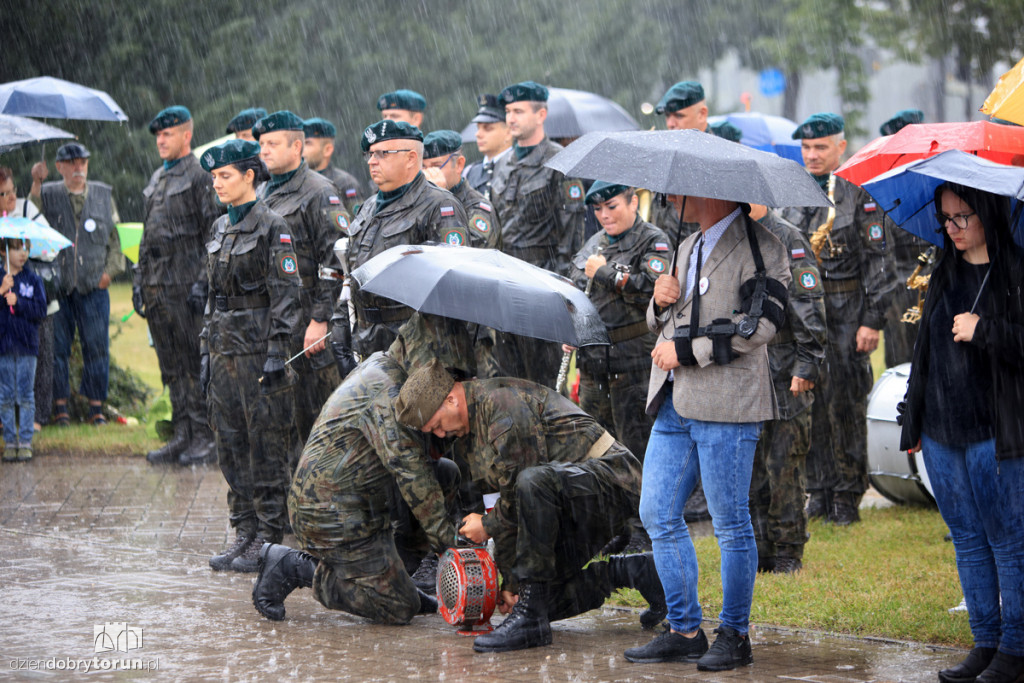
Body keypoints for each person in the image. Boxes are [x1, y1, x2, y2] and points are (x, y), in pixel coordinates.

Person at [395, 360, 667, 654]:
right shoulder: (470, 434)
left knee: (532, 484)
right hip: (564, 497)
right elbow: (504, 503)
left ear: (451, 398)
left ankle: (532, 622)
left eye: (436, 425)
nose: (438, 434)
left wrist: (486, 526)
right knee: (541, 597)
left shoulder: (501, 402)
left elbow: (526, 487)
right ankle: (635, 571)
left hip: (613, 481)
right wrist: (512, 584)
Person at [624, 194, 790, 671]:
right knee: (657, 511)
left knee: (730, 523)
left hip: (727, 403)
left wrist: (688, 351)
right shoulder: (687, 243)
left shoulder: (764, 248)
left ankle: (735, 635)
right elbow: (665, 319)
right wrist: (658, 302)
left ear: (713, 191)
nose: (671, 198)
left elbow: (760, 325)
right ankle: (684, 629)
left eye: (681, 191)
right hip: (676, 403)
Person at [252, 314, 470, 625]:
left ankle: (396, 577)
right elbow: (414, 478)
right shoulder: (389, 392)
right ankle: (290, 566)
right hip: (328, 510)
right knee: (397, 608)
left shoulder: (386, 363)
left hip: (359, 496)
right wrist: (456, 554)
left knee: (444, 474)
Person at [899, 183, 1024, 683]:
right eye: (944, 219)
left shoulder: (1016, 269)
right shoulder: (944, 267)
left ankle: (1015, 651)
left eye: (960, 218)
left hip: (996, 433)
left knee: (1008, 542)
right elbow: (925, 346)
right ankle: (985, 643)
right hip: (941, 432)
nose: (949, 229)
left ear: (988, 212)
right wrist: (915, 415)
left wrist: (985, 328)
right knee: (968, 543)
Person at [781, 112, 898, 525]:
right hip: (804, 315)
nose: (812, 155)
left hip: (847, 312)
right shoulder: (793, 192)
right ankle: (821, 489)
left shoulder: (858, 192)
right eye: (806, 148)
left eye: (820, 147)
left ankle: (848, 494)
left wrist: (872, 320)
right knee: (809, 402)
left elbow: (880, 264)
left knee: (845, 405)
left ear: (840, 146)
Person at [199, 139, 302, 573]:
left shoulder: (273, 226)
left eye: (225, 176)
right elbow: (213, 297)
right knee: (230, 442)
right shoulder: (220, 228)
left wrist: (279, 351)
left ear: (249, 177)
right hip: (224, 351)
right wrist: (206, 348)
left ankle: (267, 537)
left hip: (259, 353)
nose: (218, 184)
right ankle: (242, 530)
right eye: (214, 178)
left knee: (266, 446)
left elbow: (287, 296)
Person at [253, 110, 350, 447]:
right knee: (281, 420)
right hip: (273, 318)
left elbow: (336, 259)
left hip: (306, 319)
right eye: (261, 143)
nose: (264, 150)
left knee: (317, 421)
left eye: (272, 143)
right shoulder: (261, 192)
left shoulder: (319, 191)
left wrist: (321, 319)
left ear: (297, 147)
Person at [338, 119, 467, 358]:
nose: (372, 161)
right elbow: (352, 274)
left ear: (410, 158)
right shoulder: (368, 207)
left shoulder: (439, 205)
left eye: (382, 153)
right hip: (367, 342)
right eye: (370, 154)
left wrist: (453, 367)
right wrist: (341, 330)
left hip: (417, 349)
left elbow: (454, 291)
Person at [567, 181, 672, 473]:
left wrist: (603, 272)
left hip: (632, 362)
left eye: (611, 207)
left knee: (636, 446)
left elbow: (652, 290)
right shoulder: (595, 242)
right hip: (592, 362)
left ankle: (642, 515)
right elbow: (575, 289)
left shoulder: (653, 240)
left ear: (633, 203)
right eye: (598, 209)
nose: (604, 216)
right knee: (593, 444)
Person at [138, 106, 222, 467]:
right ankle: (182, 432)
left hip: (186, 285)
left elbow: (212, 232)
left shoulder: (201, 174)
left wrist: (204, 282)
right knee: (170, 366)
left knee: (193, 362)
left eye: (167, 134)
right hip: (158, 287)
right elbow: (146, 236)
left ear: (186, 136)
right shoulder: (158, 177)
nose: (160, 140)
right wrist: (139, 281)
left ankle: (204, 435)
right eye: (158, 135)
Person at [747, 205, 827, 574]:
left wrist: (807, 363)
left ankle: (788, 550)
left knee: (784, 464)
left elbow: (809, 305)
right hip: (745, 368)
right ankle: (759, 546)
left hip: (784, 367)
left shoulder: (788, 237)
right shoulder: (730, 235)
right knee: (750, 466)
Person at [489, 80, 585, 387]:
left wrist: (564, 293)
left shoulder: (560, 163)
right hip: (504, 286)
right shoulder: (502, 164)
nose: (511, 118)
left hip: (542, 285)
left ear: (541, 115)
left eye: (519, 111)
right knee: (508, 381)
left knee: (544, 385)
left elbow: (573, 236)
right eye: (507, 112)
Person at [30, 142, 125, 427]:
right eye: (71, 163)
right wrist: (36, 182)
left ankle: (96, 407)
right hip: (59, 287)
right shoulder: (46, 194)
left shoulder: (103, 194)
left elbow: (116, 239)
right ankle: (60, 408)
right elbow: (29, 224)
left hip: (95, 287)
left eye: (82, 162)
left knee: (96, 348)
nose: (78, 168)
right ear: (58, 167)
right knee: (56, 350)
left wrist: (109, 274)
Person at [0, 167, 55, 431]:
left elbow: (48, 249)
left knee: (38, 358)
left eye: (13, 191)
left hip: (31, 296)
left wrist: (22, 245)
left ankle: (37, 417)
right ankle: (7, 419)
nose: (12, 198)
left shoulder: (25, 210)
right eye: (4, 194)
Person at [878, 109, 930, 368]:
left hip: (935, 283)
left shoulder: (938, 181)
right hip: (898, 290)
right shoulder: (885, 187)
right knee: (900, 365)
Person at [1, 238, 47, 462]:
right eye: (17, 248)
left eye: (26, 248)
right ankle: (10, 440)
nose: (23, 253)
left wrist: (18, 301)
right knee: (6, 396)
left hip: (27, 346)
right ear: (3, 251)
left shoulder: (33, 280)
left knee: (26, 395)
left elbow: (40, 310)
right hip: (4, 347)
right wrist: (2, 290)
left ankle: (25, 440)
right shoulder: (2, 280)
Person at [647, 81, 708, 243]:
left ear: (701, 114)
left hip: (698, 257)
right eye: (667, 116)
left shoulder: (719, 160)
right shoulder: (668, 155)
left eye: (679, 116)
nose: (670, 124)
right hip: (665, 257)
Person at [421, 129, 501, 249]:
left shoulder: (479, 208)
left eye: (436, 166)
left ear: (459, 165)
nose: (428, 173)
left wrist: (441, 199)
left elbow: (465, 254)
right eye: (423, 167)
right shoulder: (421, 198)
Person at [302, 117, 364, 214]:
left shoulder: (346, 184)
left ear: (327, 150)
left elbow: (357, 223)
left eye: (308, 143)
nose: (302, 149)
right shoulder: (296, 182)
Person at [463, 94, 512, 198]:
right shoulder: (470, 172)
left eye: (488, 128)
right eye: (478, 128)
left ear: (508, 133)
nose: (478, 134)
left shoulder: (518, 167)